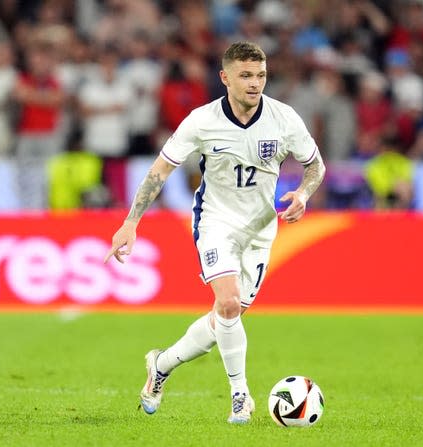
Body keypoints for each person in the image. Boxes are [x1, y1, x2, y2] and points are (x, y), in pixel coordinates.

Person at [103, 41, 326, 424]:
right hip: (215, 222)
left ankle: (161, 364)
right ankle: (241, 395)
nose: (255, 83)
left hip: (260, 229)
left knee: (227, 315)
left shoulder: (284, 118)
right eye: (245, 76)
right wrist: (130, 221)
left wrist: (304, 193)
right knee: (227, 304)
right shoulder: (201, 121)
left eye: (260, 75)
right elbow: (160, 170)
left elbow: (316, 166)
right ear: (225, 78)